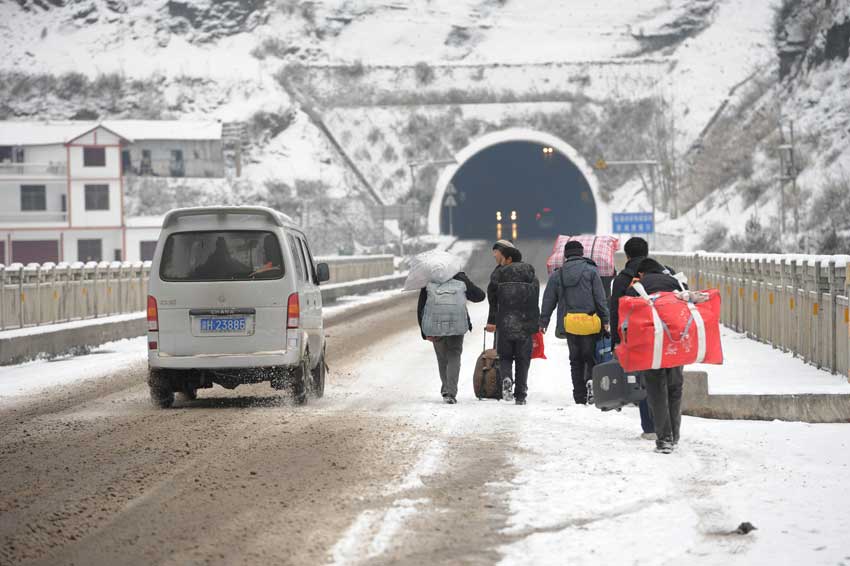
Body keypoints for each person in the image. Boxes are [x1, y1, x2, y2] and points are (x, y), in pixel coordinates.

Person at [625, 257, 686, 454]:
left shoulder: (638, 287)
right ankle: (674, 436)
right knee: (674, 388)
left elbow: (628, 315)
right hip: (676, 343)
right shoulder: (678, 283)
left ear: (642, 274)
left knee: (656, 391)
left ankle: (664, 439)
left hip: (652, 345)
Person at [539, 240, 609, 405]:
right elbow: (600, 298)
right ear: (581, 253)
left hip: (570, 323)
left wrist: (544, 321)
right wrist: (605, 319)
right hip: (590, 322)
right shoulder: (592, 271)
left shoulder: (558, 274)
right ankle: (591, 382)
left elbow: (549, 299)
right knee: (590, 357)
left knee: (575, 360)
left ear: (566, 255)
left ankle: (579, 395)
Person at [609, 237, 656, 439]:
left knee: (645, 380)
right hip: (664, 333)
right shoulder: (662, 273)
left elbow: (615, 312)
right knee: (666, 380)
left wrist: (616, 342)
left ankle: (650, 427)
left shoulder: (622, 280)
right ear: (647, 253)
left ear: (627, 256)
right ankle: (667, 425)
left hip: (636, 335)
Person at [417, 271, 486, 404]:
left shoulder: (430, 279)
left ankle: (446, 389)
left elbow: (421, 306)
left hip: (435, 325)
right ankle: (451, 392)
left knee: (442, 358)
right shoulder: (459, 277)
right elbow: (480, 296)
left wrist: (425, 331)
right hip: (457, 323)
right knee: (454, 355)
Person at [485, 242, 540, 405]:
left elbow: (492, 299)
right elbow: (535, 300)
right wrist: (535, 323)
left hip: (505, 322)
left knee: (505, 357)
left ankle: (507, 378)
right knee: (523, 360)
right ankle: (521, 395)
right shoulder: (531, 276)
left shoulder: (499, 275)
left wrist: (492, 320)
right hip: (525, 324)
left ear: (509, 259)